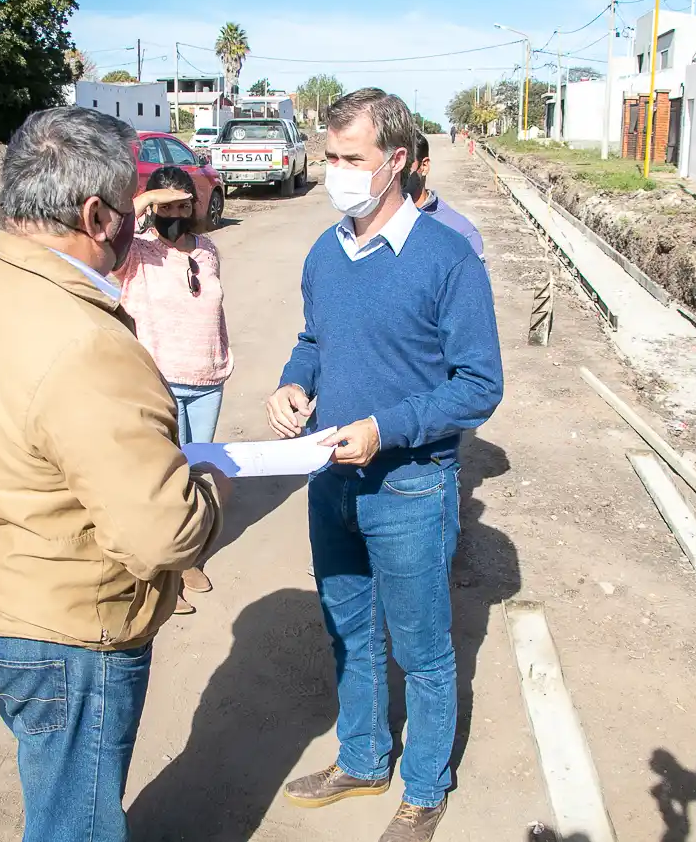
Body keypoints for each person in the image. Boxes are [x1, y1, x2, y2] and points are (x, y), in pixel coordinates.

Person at [0, 106, 229, 842]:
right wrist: (209, 489)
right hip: (71, 638)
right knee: (77, 824)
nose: (136, 223)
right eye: (128, 207)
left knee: (56, 794)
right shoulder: (85, 340)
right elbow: (162, 535)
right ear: (95, 216)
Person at [266, 88, 503, 842]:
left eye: (351, 158)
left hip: (410, 486)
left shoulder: (448, 259)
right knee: (349, 631)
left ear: (396, 160)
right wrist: (293, 382)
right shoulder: (324, 252)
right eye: (329, 156)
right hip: (330, 481)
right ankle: (363, 759)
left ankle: (425, 787)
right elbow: (315, 339)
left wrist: (386, 427)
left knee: (423, 651)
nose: (334, 171)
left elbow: (479, 384)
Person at [118, 164, 232, 615]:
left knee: (197, 474)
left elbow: (215, 309)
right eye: (166, 207)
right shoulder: (137, 252)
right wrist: (146, 201)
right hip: (159, 382)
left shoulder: (207, 250)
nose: (175, 215)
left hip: (207, 380)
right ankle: (159, 575)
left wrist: (222, 358)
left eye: (183, 206)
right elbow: (115, 231)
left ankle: (187, 561)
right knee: (164, 480)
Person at [405, 131, 485, 261]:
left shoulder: (460, 232)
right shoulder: (372, 223)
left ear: (424, 166)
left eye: (403, 162)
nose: (394, 170)